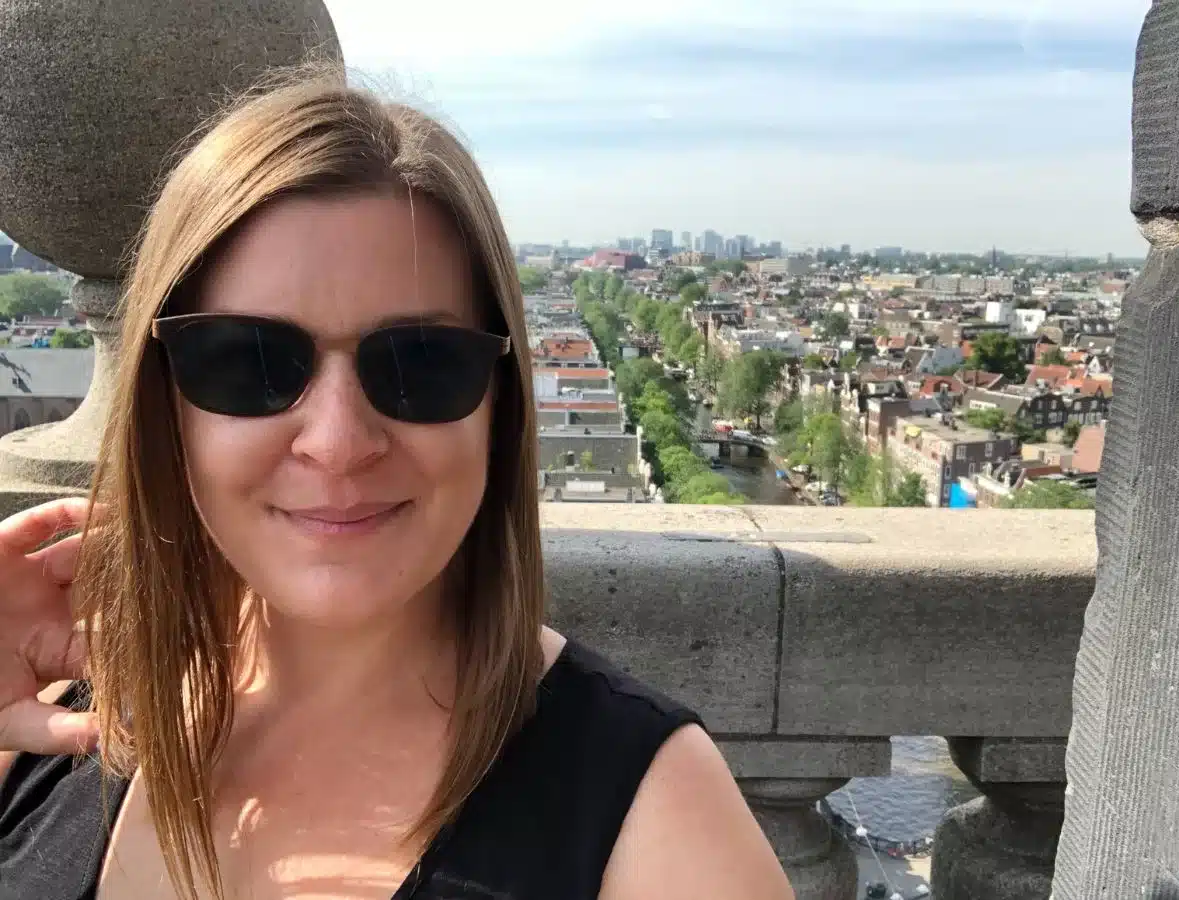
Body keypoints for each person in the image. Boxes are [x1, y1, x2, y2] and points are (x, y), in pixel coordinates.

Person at [0, 67, 793, 900]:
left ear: (501, 405)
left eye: (420, 364)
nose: (339, 443)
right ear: (165, 408)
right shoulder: (46, 709)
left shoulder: (662, 822)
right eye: (249, 363)